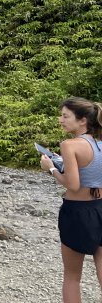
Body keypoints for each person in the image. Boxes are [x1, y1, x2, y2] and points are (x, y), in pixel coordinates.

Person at [41, 97, 102, 303]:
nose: (61, 120)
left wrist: (50, 168)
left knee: (72, 277)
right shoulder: (100, 143)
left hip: (77, 212)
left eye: (66, 116)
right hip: (100, 209)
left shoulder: (70, 145)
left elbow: (73, 184)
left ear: (82, 120)